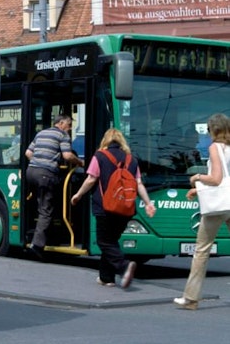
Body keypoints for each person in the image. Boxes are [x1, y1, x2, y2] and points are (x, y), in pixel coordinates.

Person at [70, 128, 156, 288]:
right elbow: (138, 184)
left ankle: (124, 266)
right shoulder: (132, 160)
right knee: (111, 241)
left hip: (105, 207)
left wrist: (78, 195)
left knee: (104, 242)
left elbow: (91, 179)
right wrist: (148, 203)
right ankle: (106, 277)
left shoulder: (100, 156)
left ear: (106, 141)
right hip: (126, 208)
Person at [175, 113, 230, 310]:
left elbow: (216, 179)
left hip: (219, 208)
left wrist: (197, 177)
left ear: (213, 130)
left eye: (208, 130)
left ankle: (191, 298)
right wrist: (197, 190)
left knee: (201, 250)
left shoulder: (215, 147)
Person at [25, 113, 84, 259]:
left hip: (31, 172)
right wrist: (81, 163)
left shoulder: (41, 133)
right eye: (69, 125)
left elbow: (28, 153)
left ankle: (34, 232)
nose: (70, 129)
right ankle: (37, 246)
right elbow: (68, 156)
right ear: (62, 123)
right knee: (46, 209)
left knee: (37, 202)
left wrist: (38, 162)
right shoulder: (63, 135)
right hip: (46, 174)